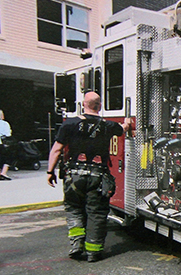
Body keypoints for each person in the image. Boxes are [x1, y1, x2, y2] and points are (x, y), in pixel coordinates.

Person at [47, 91, 125, 262]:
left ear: (83, 104)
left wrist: (50, 172)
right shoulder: (109, 125)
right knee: (96, 213)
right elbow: (122, 130)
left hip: (74, 176)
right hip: (98, 177)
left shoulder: (70, 124)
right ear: (100, 106)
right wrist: (126, 124)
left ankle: (76, 244)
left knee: (74, 209)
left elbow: (57, 149)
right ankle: (93, 252)